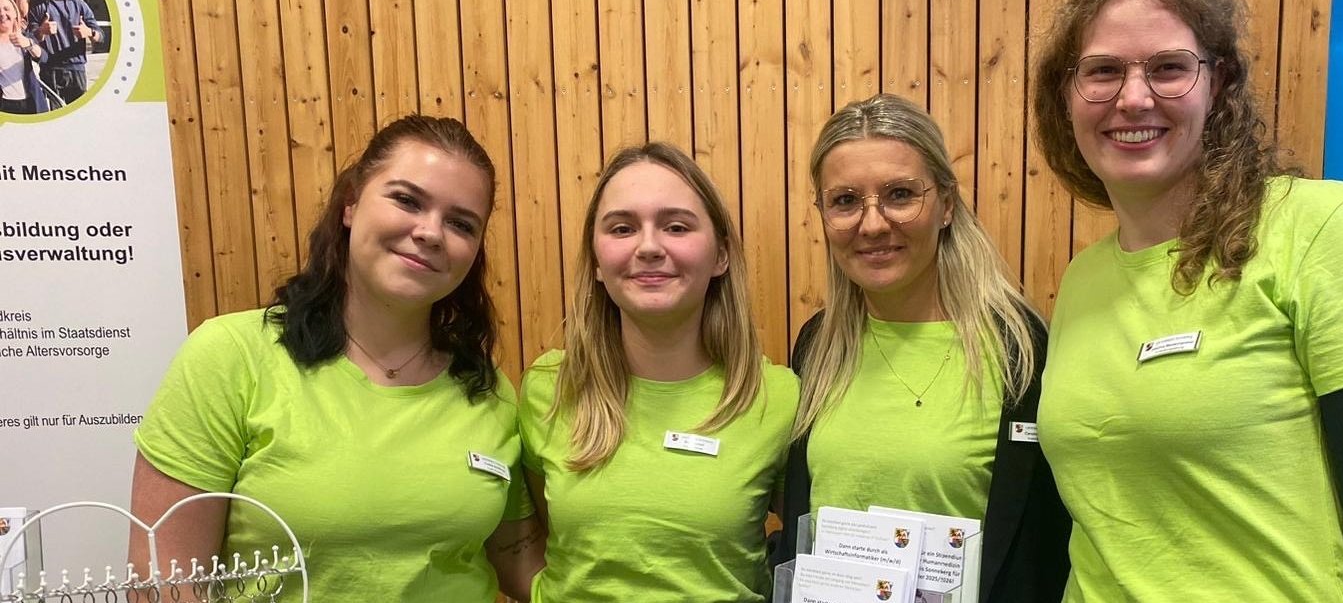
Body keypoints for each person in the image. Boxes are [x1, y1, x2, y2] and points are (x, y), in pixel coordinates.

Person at [1032, 0, 1343, 601]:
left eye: (1168, 68)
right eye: (1102, 71)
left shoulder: (1317, 229)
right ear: (1066, 94)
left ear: (1220, 81)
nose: (1132, 98)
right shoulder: (1083, 281)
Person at [128, 115, 543, 602]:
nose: (431, 232)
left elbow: (520, 562)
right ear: (350, 204)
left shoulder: (486, 388)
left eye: (461, 223)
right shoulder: (230, 356)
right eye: (407, 200)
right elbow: (164, 587)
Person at [779, 93, 1070, 602]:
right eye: (845, 200)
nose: (872, 224)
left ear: (946, 204)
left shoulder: (1019, 346)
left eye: (899, 194)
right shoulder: (816, 346)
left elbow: (1046, 536)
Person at [518, 142, 799, 601]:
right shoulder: (549, 389)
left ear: (721, 256)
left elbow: (807, 548)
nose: (649, 247)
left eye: (676, 226)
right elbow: (529, 543)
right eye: (623, 228)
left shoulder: (775, 397)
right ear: (596, 262)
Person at [26, 0, 100, 107]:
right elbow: (30, 40)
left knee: (80, 117)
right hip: (49, 71)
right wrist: (41, 30)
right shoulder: (36, 5)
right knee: (54, 119)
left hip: (76, 70)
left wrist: (89, 33)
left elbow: (101, 36)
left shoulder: (79, 5)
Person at [0, 0, 46, 114]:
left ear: (15, 12)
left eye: (6, 9)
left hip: (31, 102)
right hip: (4, 105)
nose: (2, 14)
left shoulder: (25, 36)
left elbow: (43, 57)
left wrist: (28, 44)